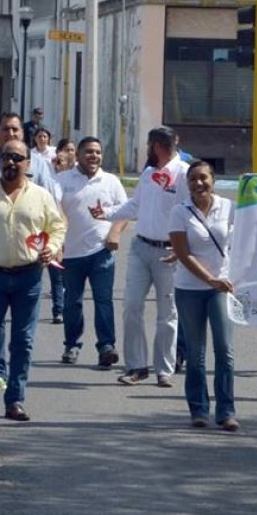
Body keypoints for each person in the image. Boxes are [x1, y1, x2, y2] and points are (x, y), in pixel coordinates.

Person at [0, 139, 66, 422]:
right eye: (7, 157)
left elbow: (56, 228)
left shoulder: (41, 196)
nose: (12, 163)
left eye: (18, 158)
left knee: (23, 341)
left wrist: (52, 248)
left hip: (28, 277)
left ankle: (15, 399)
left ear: (28, 164)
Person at [91, 127, 189, 387]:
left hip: (169, 251)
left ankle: (164, 369)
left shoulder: (184, 174)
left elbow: (191, 213)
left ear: (157, 145)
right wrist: (107, 213)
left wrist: (183, 249)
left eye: (150, 144)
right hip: (140, 247)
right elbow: (135, 206)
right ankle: (136, 366)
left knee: (167, 313)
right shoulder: (148, 174)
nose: (148, 149)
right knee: (132, 306)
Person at [167, 160, 239, 431]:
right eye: (193, 179)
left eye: (204, 178)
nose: (199, 184)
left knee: (225, 351)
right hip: (189, 290)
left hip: (221, 290)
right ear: (187, 184)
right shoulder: (179, 212)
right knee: (196, 354)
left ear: (213, 180)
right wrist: (210, 278)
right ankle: (198, 410)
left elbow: (244, 240)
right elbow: (183, 253)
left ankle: (226, 412)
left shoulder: (229, 207)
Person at [56, 137, 129, 367]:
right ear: (77, 155)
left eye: (97, 152)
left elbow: (125, 211)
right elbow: (55, 210)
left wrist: (114, 233)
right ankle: (71, 345)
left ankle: (106, 346)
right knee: (72, 302)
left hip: (101, 252)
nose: (94, 156)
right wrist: (57, 243)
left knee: (103, 300)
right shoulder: (61, 180)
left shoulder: (111, 181)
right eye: (88, 152)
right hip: (71, 254)